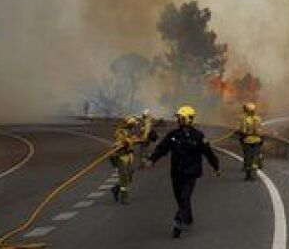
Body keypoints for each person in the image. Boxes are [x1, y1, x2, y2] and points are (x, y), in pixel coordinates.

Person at [144, 105, 220, 238]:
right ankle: (188, 217)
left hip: (191, 173)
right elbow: (162, 148)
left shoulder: (198, 136)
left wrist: (216, 167)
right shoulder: (173, 135)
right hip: (177, 173)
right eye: (178, 118)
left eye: (181, 118)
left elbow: (208, 153)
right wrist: (152, 160)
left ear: (188, 119)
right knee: (180, 198)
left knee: (185, 197)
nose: (179, 120)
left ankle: (178, 221)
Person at [110, 115, 142, 204]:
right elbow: (117, 144)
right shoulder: (120, 132)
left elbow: (133, 140)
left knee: (129, 176)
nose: (134, 127)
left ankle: (116, 188)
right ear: (129, 124)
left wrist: (135, 140)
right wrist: (125, 142)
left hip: (129, 156)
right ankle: (124, 197)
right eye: (133, 125)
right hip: (121, 157)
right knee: (124, 177)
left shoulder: (130, 132)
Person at [234, 102, 264, 180]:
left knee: (248, 157)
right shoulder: (258, 119)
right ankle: (255, 170)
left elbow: (243, 131)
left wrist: (237, 132)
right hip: (257, 140)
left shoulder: (245, 120)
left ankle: (248, 175)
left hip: (247, 141)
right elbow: (261, 130)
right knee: (255, 155)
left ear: (247, 110)